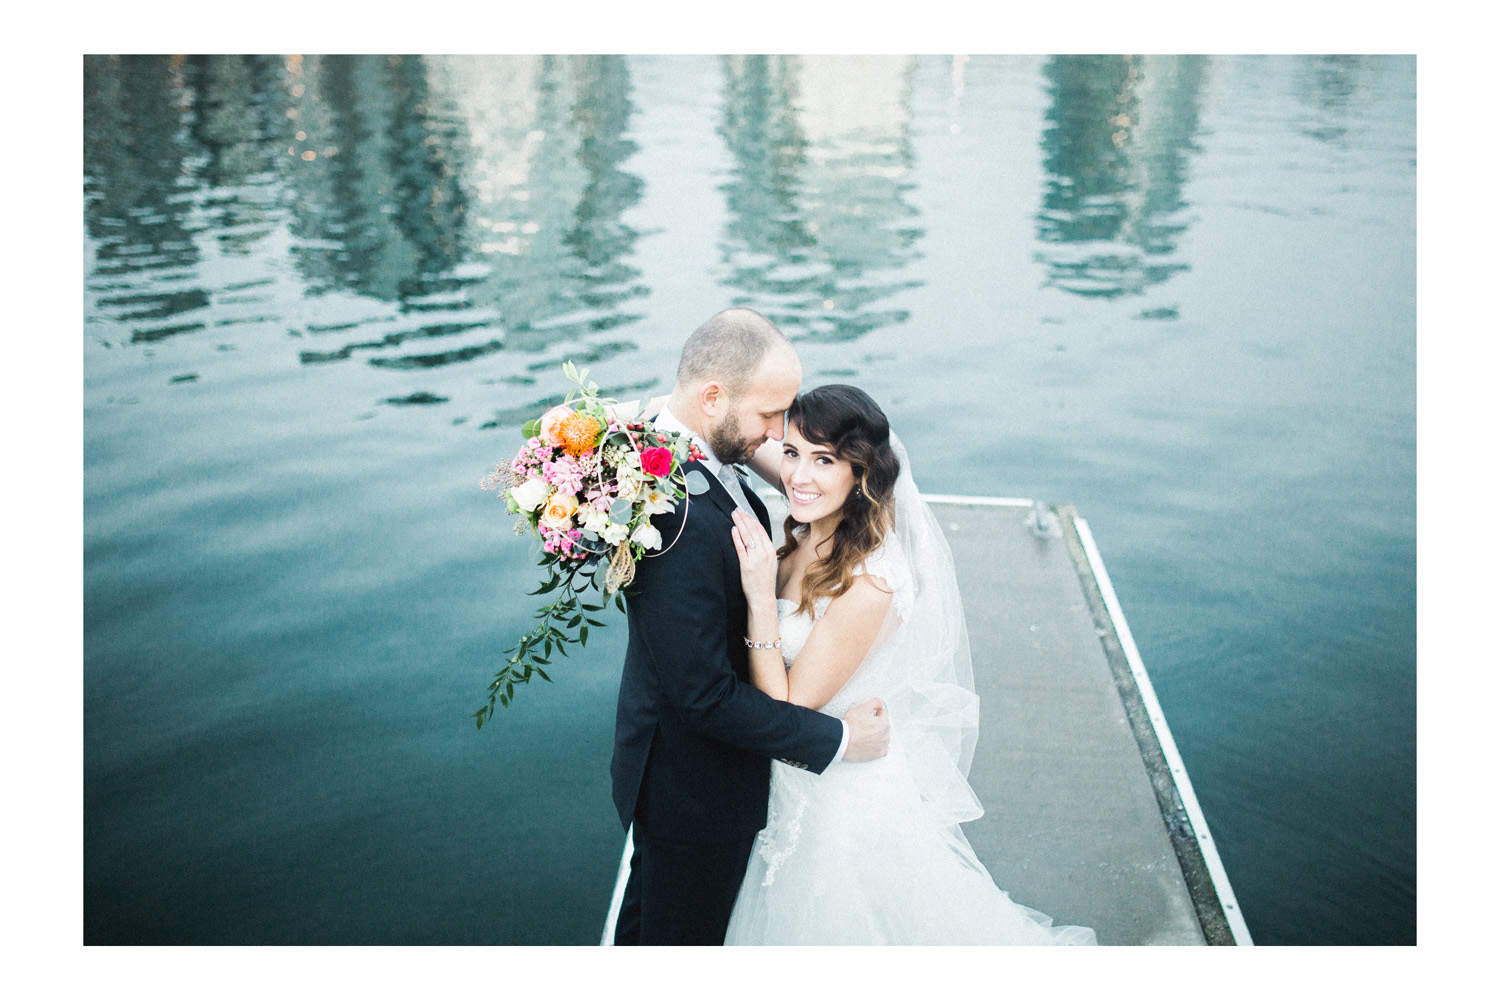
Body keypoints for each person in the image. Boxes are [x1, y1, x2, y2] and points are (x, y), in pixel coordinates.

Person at [721, 384, 1097, 945]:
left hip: (835, 804)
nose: (797, 475)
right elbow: (747, 443)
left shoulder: (870, 580)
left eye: (824, 460)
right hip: (789, 788)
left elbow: (787, 713)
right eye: (793, 452)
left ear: (860, 473)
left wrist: (758, 598)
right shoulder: (808, 518)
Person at [609, 309, 892, 946]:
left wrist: (811, 466)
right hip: (696, 790)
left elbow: (809, 468)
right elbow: (704, 696)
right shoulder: (672, 515)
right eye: (771, 417)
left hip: (700, 772)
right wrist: (839, 741)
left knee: (649, 930)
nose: (777, 436)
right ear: (712, 397)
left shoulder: (694, 447)